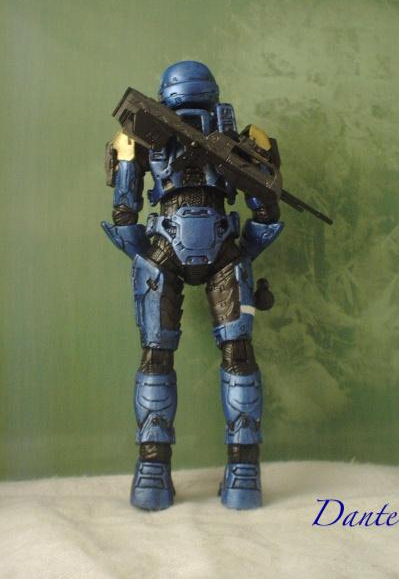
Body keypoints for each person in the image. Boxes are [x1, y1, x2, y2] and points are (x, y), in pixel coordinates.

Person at [102, 60, 283, 510]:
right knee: (231, 355)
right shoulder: (147, 133)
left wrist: (142, 254)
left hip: (173, 248)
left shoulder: (238, 139)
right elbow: (264, 212)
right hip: (212, 249)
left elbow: (124, 213)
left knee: (159, 356)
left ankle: (155, 473)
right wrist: (246, 251)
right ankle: (239, 475)